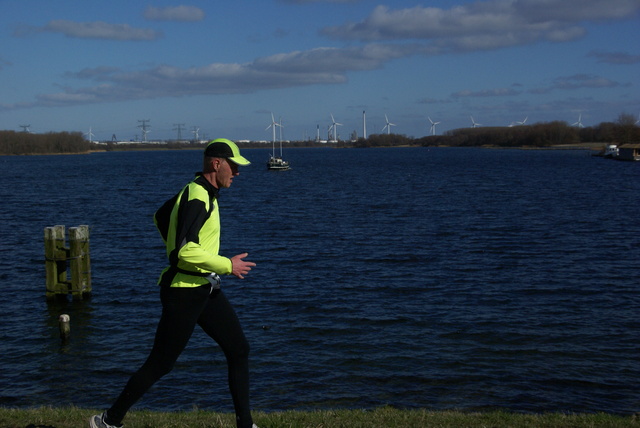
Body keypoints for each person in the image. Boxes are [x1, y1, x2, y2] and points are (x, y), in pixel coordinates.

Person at [91, 139, 258, 428]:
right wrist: (226, 265)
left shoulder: (202, 191)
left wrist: (183, 247)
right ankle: (108, 421)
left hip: (203, 288)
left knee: (238, 349)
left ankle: (245, 424)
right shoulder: (197, 196)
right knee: (161, 363)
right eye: (234, 166)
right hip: (184, 293)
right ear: (216, 164)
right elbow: (183, 251)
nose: (238, 173)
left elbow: (160, 217)